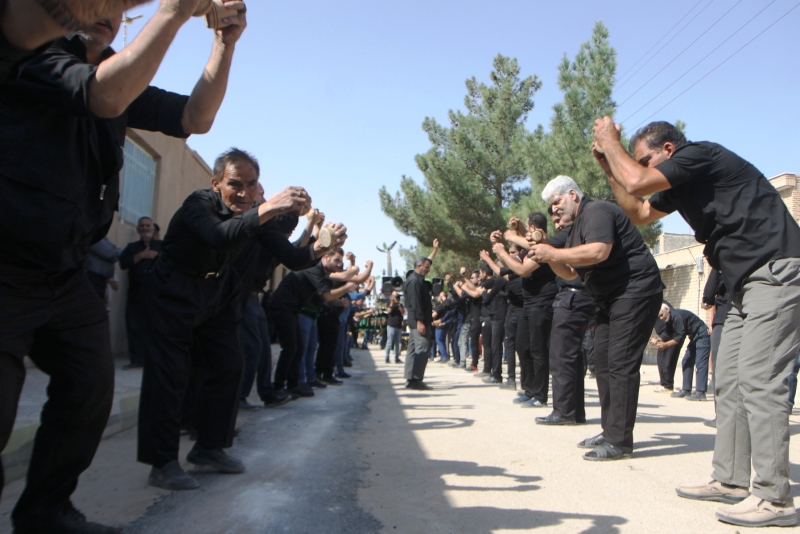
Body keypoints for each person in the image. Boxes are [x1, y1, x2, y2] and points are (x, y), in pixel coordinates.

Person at [0, 3, 246, 531]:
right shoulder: (31, 57)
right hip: (8, 266)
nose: (109, 15)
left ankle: (45, 511)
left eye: (117, 13)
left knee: (89, 389)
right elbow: (105, 93)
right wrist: (175, 13)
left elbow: (195, 117)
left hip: (64, 275)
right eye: (100, 6)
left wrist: (225, 42)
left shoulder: (119, 72)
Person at [593, 118, 800, 527]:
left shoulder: (698, 154)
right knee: (729, 382)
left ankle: (775, 499)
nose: (642, 166)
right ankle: (730, 480)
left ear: (669, 150)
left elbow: (637, 182)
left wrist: (612, 143)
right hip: (741, 284)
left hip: (774, 272)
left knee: (760, 380)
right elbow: (638, 211)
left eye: (647, 158)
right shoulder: (680, 183)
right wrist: (607, 165)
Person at [137, 149, 310, 491]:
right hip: (174, 292)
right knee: (169, 376)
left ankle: (209, 447)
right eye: (235, 184)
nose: (244, 192)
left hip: (215, 296)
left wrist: (319, 239)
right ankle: (162, 462)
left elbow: (292, 256)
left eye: (251, 184)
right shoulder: (197, 205)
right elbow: (219, 235)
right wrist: (270, 207)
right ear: (216, 184)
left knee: (229, 365)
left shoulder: (253, 217)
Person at [529, 175, 663, 460]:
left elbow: (600, 251)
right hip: (608, 300)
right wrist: (550, 257)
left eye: (557, 202)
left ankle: (620, 441)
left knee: (620, 363)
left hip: (634, 291)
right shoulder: (575, 227)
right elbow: (570, 273)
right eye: (550, 207)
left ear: (574, 195)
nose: (554, 211)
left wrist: (552, 250)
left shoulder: (596, 211)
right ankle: (610, 430)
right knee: (601, 361)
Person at [534, 206, 596, 425]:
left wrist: (516, 237)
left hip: (572, 298)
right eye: (555, 221)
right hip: (579, 297)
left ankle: (564, 412)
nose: (558, 224)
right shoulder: (579, 233)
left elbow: (537, 252)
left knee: (561, 356)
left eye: (560, 218)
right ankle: (574, 412)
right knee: (572, 357)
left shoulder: (573, 233)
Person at [269, 249, 356, 398]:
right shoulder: (313, 269)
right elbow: (327, 296)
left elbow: (341, 281)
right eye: (336, 260)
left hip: (293, 308)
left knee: (298, 348)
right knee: (290, 347)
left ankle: (293, 384)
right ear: (325, 257)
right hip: (283, 305)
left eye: (340, 261)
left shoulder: (323, 273)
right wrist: (349, 285)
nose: (338, 264)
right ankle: (277, 387)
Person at [493, 213, 559, 409]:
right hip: (528, 304)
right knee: (524, 347)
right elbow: (508, 267)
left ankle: (540, 395)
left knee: (538, 350)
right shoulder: (529, 249)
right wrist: (499, 250)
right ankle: (529, 390)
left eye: (528, 230)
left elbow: (521, 270)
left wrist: (504, 249)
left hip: (542, 303)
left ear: (534, 229)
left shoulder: (546, 247)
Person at [119, 216, 161, 369]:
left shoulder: (162, 246)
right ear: (137, 229)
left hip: (158, 295)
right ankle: (137, 359)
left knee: (156, 327)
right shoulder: (132, 248)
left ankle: (153, 360)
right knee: (135, 326)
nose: (145, 228)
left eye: (148, 226)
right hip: (137, 294)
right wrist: (141, 256)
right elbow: (123, 263)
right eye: (142, 226)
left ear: (153, 228)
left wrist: (157, 256)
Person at [655, 305, 710, 401]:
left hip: (702, 334)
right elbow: (668, 333)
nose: (661, 318)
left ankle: (701, 392)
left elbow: (680, 337)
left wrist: (666, 345)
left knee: (700, 363)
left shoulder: (677, 316)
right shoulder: (669, 319)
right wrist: (658, 339)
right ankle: (686, 390)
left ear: (667, 310)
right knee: (686, 361)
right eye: (659, 317)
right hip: (694, 337)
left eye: (661, 315)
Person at [404, 257, 434, 389]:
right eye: (426, 267)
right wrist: (420, 321)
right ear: (419, 266)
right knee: (422, 348)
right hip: (418, 321)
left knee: (412, 349)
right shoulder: (415, 281)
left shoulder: (417, 280)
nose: (428, 270)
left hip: (416, 321)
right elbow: (415, 304)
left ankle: (411, 378)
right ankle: (415, 379)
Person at [651, 302, 683, 394]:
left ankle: (667, 385)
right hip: (664, 334)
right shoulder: (653, 304)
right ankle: (665, 384)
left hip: (670, 334)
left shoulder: (661, 304)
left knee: (667, 360)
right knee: (661, 359)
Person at [385, 291, 405, 364]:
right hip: (391, 325)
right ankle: (387, 358)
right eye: (395, 296)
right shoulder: (389, 304)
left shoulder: (400, 305)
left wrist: (398, 304)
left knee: (397, 343)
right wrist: (392, 303)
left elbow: (403, 313)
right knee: (389, 342)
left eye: (397, 296)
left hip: (398, 326)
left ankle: (397, 358)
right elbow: (389, 311)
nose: (396, 298)